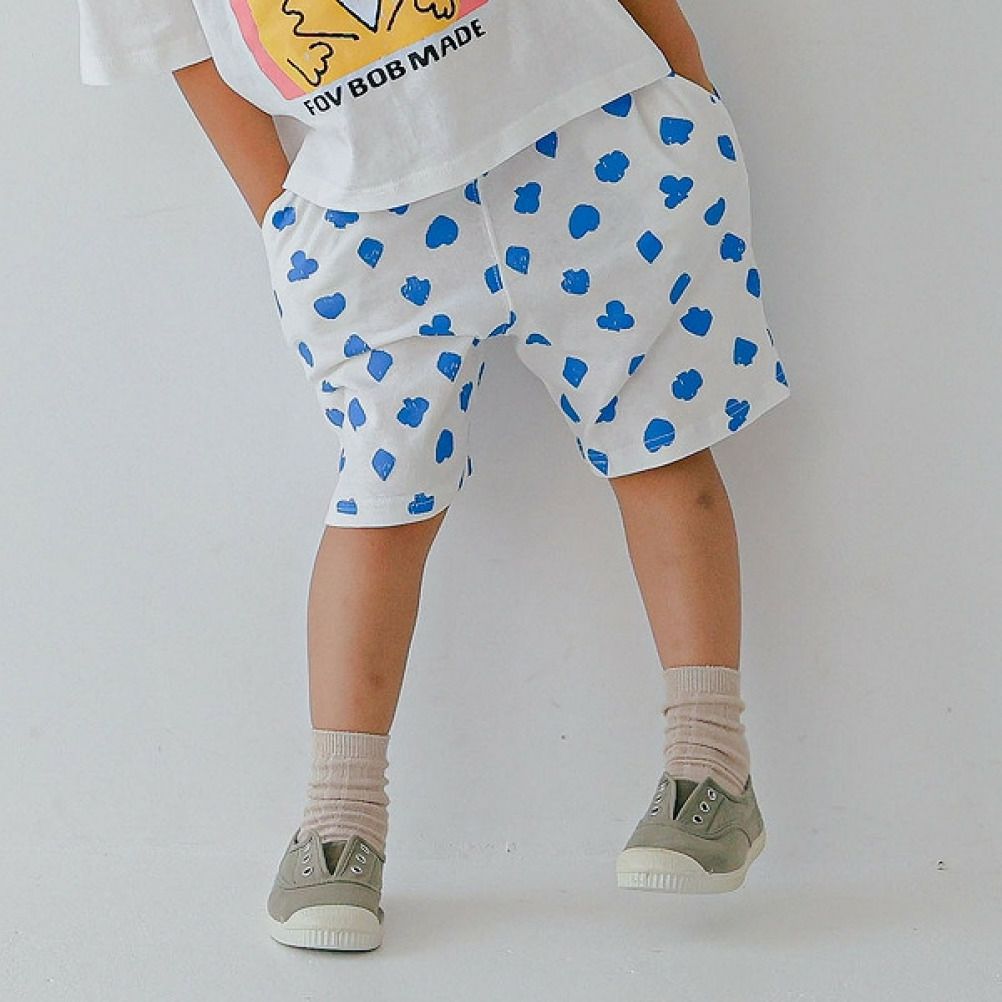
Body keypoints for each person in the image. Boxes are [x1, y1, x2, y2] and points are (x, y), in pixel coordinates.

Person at [75, 0, 793, 951]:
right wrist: (282, 215)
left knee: (659, 444)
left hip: (593, 130)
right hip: (366, 212)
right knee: (381, 504)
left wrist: (685, 80)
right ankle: (339, 822)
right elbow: (176, 39)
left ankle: (711, 765)